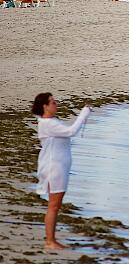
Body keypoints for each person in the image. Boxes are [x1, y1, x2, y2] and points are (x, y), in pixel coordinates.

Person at [32, 93, 91, 250]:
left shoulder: (52, 122)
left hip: (60, 167)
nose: (55, 104)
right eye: (52, 102)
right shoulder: (47, 123)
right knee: (54, 205)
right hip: (54, 168)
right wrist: (84, 113)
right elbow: (72, 131)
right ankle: (50, 241)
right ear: (45, 106)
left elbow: (67, 132)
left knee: (55, 205)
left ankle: (51, 239)